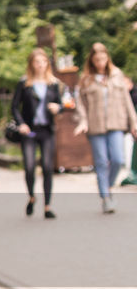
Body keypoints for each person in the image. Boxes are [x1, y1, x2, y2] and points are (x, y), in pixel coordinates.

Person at [73, 42, 137, 213]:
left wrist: (134, 122)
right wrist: (83, 122)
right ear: (92, 61)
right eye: (96, 60)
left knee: (118, 159)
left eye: (102, 59)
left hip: (116, 123)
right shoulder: (86, 80)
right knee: (101, 162)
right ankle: (106, 198)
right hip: (95, 126)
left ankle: (106, 187)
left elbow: (127, 100)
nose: (100, 62)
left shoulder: (117, 75)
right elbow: (80, 104)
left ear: (107, 58)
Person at [11, 48, 63, 219]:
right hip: (30, 131)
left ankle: (47, 206)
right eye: (37, 62)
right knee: (29, 167)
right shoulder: (24, 83)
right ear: (31, 64)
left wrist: (58, 108)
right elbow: (14, 107)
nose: (40, 65)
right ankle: (32, 197)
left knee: (48, 167)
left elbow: (61, 104)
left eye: (43, 62)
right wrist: (21, 124)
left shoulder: (53, 83)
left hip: (47, 130)